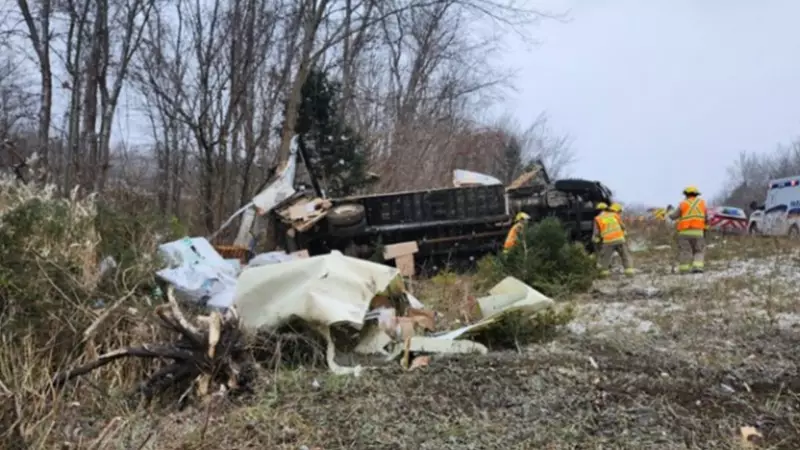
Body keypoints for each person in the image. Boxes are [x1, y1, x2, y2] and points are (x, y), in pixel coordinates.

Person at [668, 186, 707, 273]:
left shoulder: (683, 204)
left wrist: (669, 211)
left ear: (686, 194)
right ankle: (698, 267)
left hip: (684, 233)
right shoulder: (702, 204)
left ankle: (684, 269)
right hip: (698, 232)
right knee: (699, 250)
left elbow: (673, 216)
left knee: (685, 251)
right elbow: (706, 218)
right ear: (696, 195)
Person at [593, 203, 634, 277]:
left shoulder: (597, 218)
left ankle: (604, 275)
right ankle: (629, 272)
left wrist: (596, 241)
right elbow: (622, 226)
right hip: (620, 239)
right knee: (625, 255)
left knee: (605, 258)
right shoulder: (614, 215)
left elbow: (596, 233)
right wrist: (624, 233)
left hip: (608, 241)